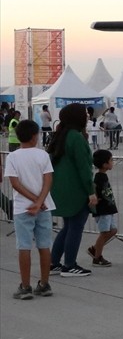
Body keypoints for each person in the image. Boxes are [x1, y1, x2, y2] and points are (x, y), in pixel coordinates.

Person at [5, 120, 55, 299]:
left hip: (22, 208)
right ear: (35, 136)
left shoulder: (12, 157)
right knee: (44, 245)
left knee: (24, 246)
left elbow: (15, 183)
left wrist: (34, 201)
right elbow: (48, 179)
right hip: (45, 206)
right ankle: (44, 283)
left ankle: (25, 286)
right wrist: (41, 200)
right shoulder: (43, 155)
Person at [48, 103, 99, 277]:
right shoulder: (76, 137)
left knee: (68, 227)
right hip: (76, 189)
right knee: (75, 227)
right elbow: (84, 168)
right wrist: (91, 191)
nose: (87, 116)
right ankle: (70, 265)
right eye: (85, 114)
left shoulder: (62, 135)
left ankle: (53, 262)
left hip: (62, 188)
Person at [87, 149, 119, 267]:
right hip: (103, 210)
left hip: (109, 208)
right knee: (104, 233)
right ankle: (97, 257)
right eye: (111, 160)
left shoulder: (103, 176)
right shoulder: (99, 177)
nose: (113, 162)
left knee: (113, 230)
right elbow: (94, 188)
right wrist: (94, 198)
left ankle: (95, 249)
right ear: (105, 164)